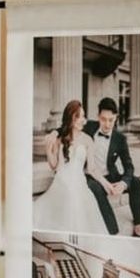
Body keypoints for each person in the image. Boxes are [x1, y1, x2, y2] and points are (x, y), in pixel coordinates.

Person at [33, 100, 107, 234]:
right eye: (78, 117)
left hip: (78, 181)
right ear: (70, 118)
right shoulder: (60, 139)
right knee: (68, 190)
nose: (82, 120)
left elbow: (91, 169)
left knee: (76, 194)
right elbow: (54, 166)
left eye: (83, 116)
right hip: (62, 179)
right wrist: (48, 149)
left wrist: (106, 184)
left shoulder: (88, 140)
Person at [84, 97, 140, 237]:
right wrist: (55, 132)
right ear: (98, 117)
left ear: (116, 118)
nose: (107, 124)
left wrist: (124, 184)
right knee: (95, 188)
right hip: (92, 176)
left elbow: (129, 167)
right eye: (103, 119)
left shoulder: (120, 139)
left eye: (111, 120)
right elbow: (70, 124)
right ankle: (113, 232)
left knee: (136, 182)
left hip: (111, 175)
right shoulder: (88, 126)